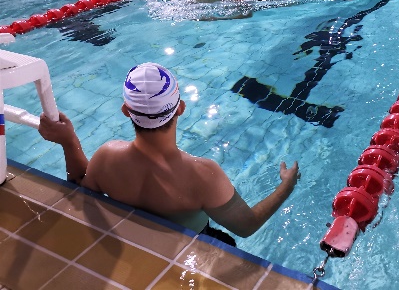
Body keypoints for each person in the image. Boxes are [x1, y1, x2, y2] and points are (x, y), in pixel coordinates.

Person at [38, 62, 300, 246]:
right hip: (192, 249)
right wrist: (286, 186)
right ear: (181, 108)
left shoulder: (106, 157)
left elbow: (81, 191)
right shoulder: (202, 174)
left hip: (136, 246)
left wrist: (69, 142)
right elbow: (247, 226)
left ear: (126, 111)